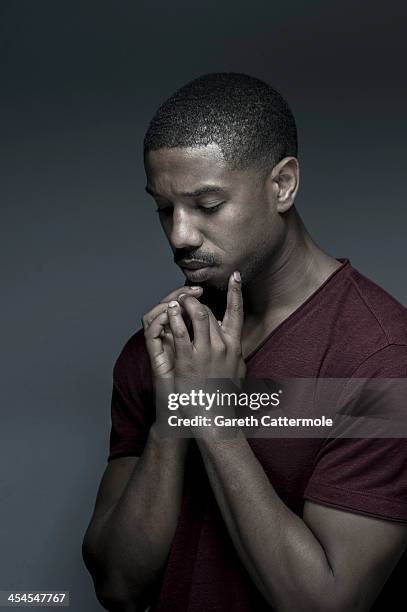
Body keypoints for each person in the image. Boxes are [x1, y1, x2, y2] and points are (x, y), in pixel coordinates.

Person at [82, 73, 407, 611]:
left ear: (282, 185)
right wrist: (176, 417)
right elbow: (118, 585)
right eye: (164, 208)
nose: (180, 234)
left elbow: (325, 604)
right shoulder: (159, 348)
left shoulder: (382, 360)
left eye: (206, 205)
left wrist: (214, 420)